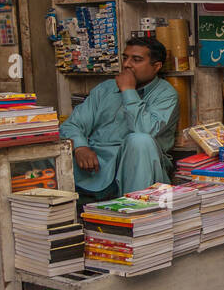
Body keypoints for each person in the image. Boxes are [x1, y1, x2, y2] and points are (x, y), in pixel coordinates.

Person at [60, 37, 179, 199]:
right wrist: (81, 147)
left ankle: (136, 212)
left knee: (139, 141)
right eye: (125, 58)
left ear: (156, 67)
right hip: (97, 168)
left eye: (136, 60)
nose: (127, 64)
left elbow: (144, 131)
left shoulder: (166, 95)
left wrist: (128, 91)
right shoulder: (105, 88)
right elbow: (72, 125)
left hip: (139, 169)